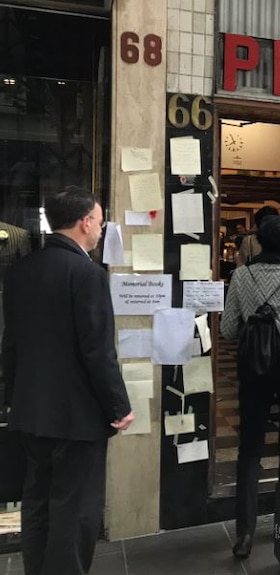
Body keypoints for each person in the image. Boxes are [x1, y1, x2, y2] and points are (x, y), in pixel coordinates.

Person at [1, 187, 134, 575]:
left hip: (30, 409)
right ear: (85, 222)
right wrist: (119, 406)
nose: (101, 228)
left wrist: (13, 397)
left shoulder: (21, 270)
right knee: (74, 511)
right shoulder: (88, 274)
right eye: (100, 220)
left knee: (37, 502)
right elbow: (97, 351)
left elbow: (10, 344)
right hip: (77, 416)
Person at [220, 216, 280, 560]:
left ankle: (244, 533)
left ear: (258, 242)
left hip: (252, 371)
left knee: (249, 449)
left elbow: (228, 329)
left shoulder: (241, 275)